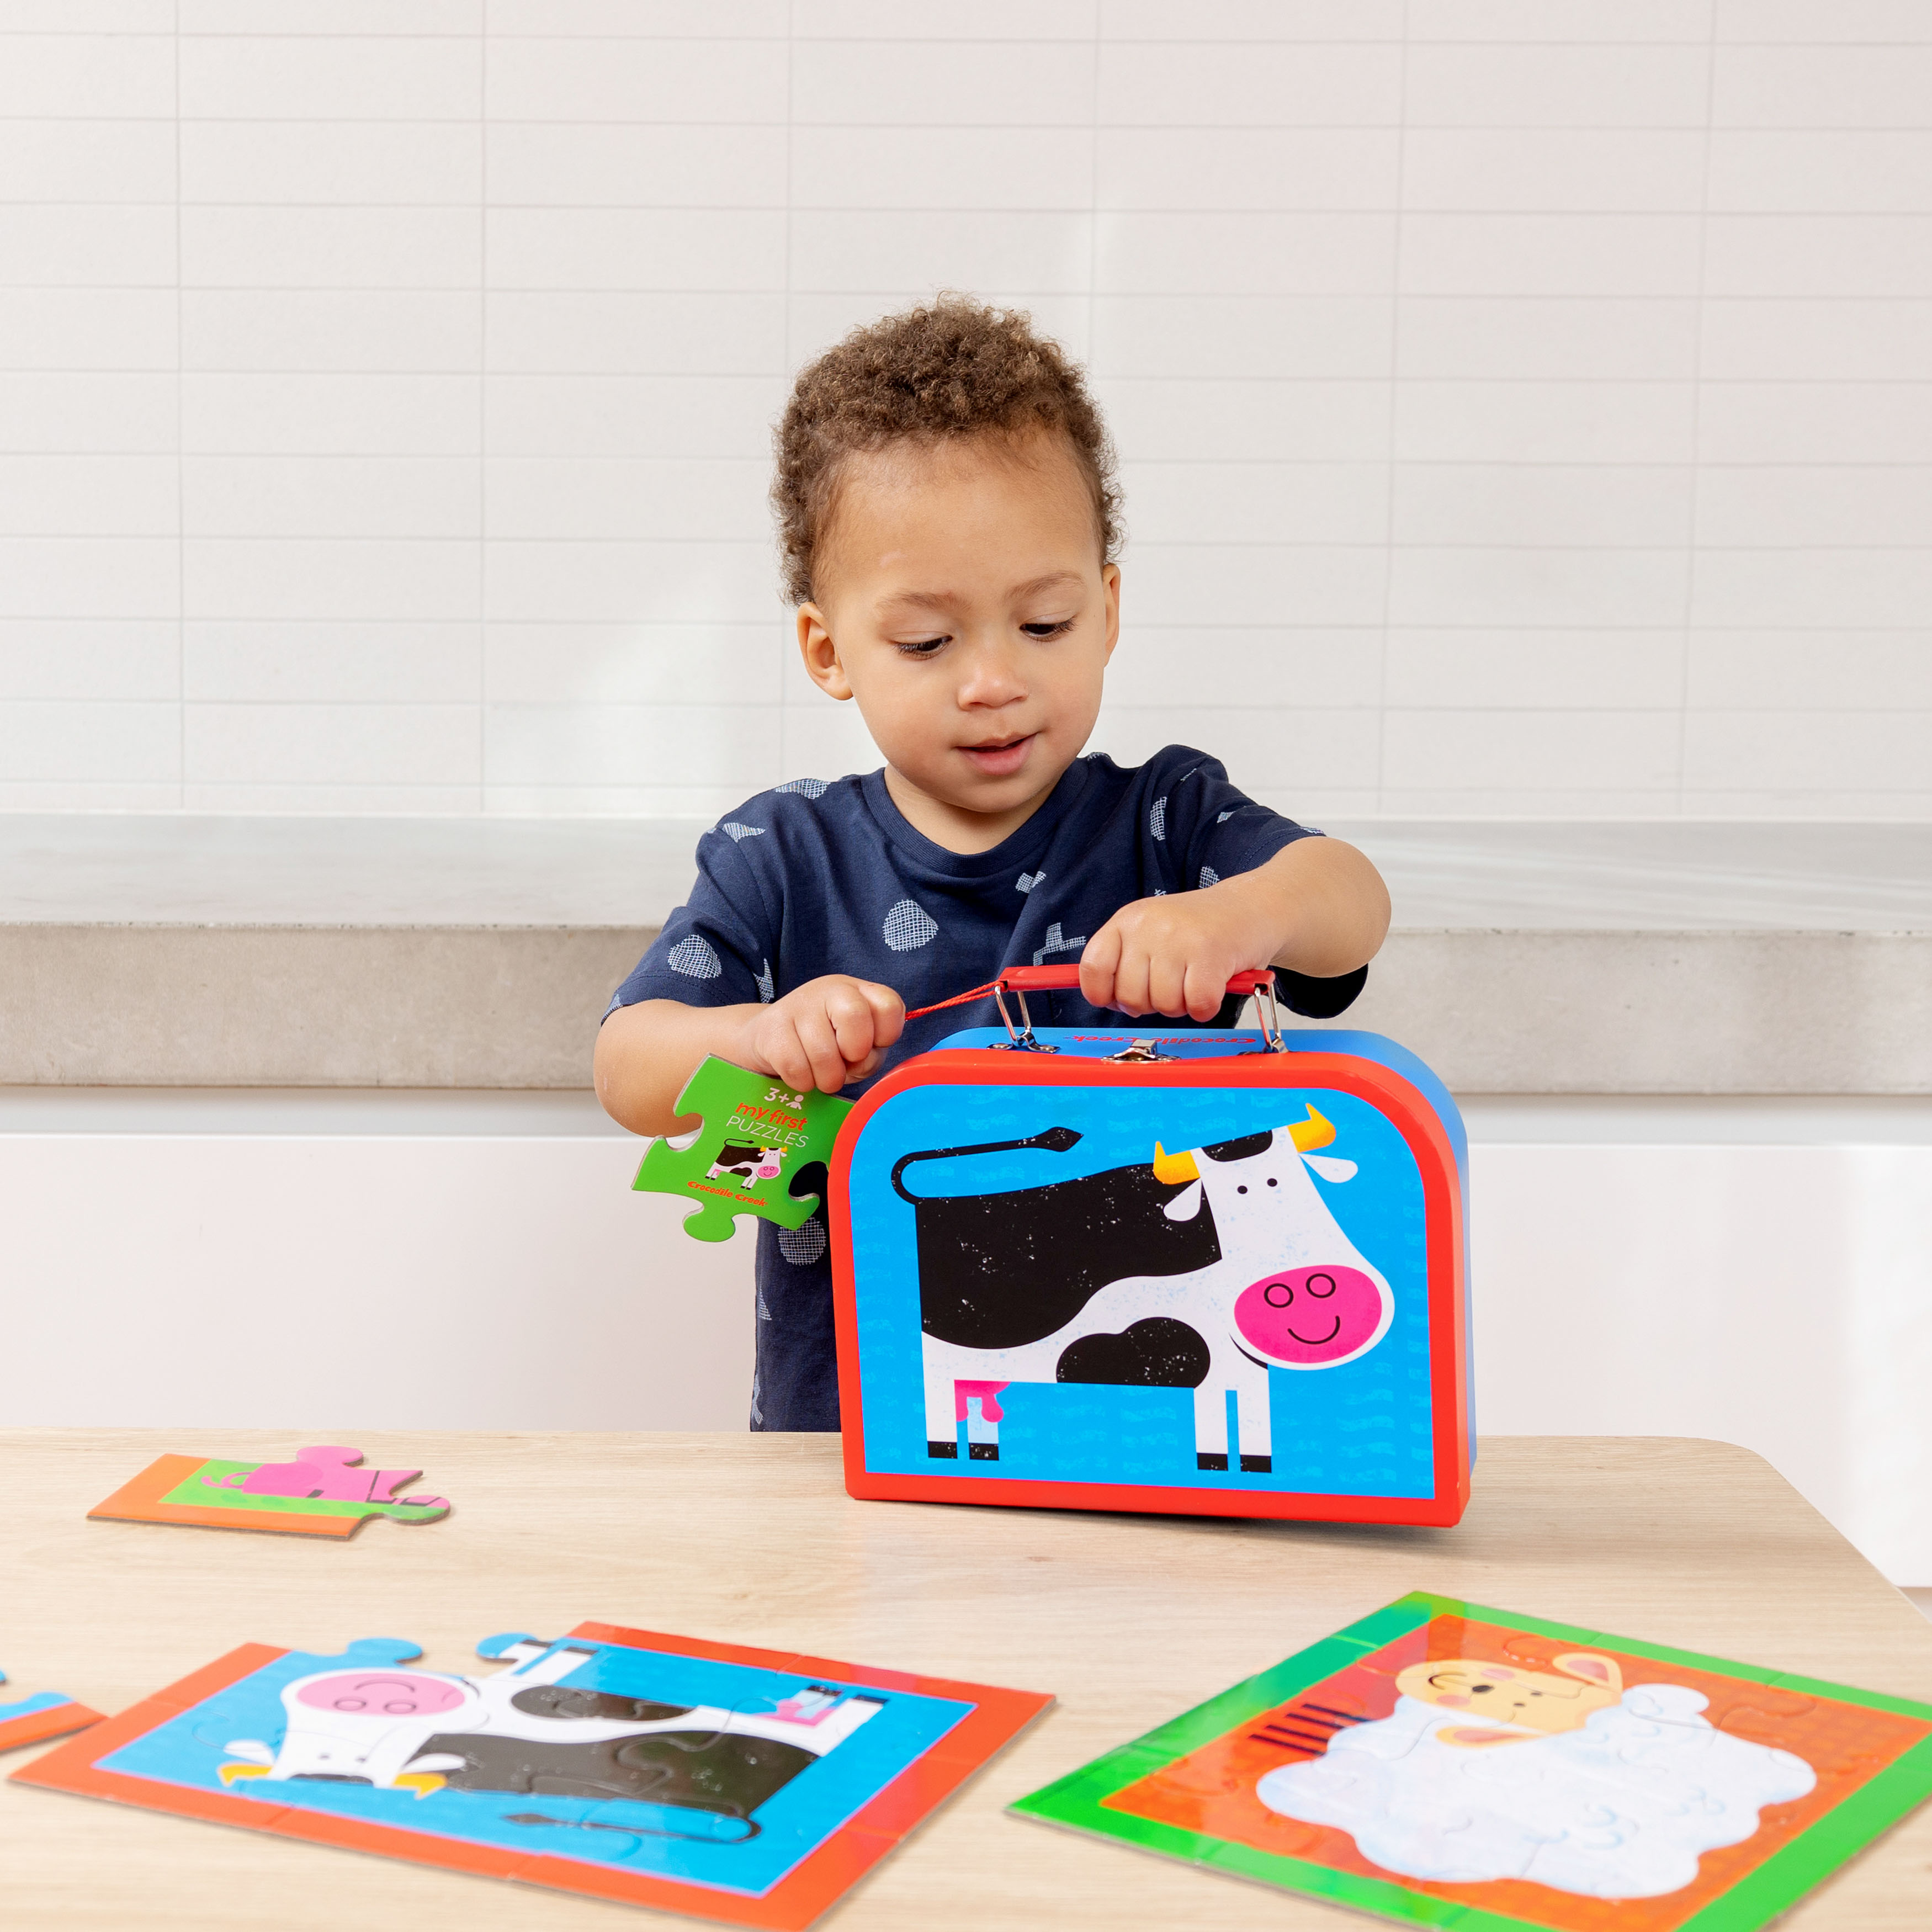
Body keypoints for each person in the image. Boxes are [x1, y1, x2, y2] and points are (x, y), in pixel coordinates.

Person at [595, 296, 1390, 1432]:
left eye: (1045, 624)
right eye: (927, 642)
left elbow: (1351, 901)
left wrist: (1242, 917)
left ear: (1107, 609)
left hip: (1146, 1407)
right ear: (829, 649)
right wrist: (759, 1038)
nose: (992, 682)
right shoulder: (782, 852)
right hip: (851, 1432)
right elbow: (627, 1065)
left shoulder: (1167, 820)